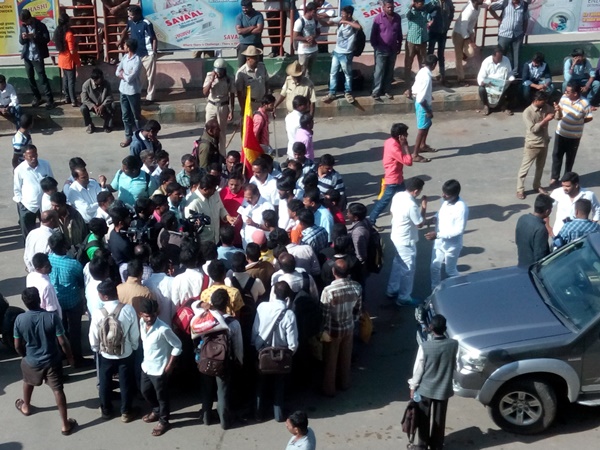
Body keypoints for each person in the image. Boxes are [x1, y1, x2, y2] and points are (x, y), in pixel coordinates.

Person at [13, 287, 77, 435]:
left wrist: (24, 356)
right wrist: (70, 358)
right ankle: (65, 425)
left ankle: (26, 407)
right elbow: (63, 342)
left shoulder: (20, 319)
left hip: (31, 360)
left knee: (27, 382)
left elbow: (17, 345)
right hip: (52, 361)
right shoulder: (52, 318)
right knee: (58, 390)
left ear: (24, 302)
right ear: (39, 299)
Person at [89, 279, 139, 421]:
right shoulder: (128, 309)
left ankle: (106, 410)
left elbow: (93, 334)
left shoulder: (98, 313)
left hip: (106, 353)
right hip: (125, 353)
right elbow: (134, 333)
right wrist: (133, 346)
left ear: (104, 296)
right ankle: (126, 412)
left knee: (105, 381)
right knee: (125, 382)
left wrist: (96, 348)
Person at [408, 314, 458, 450]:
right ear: (445, 328)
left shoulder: (425, 346)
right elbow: (454, 364)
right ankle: (437, 445)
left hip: (426, 389)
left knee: (423, 418)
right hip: (444, 388)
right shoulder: (454, 344)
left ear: (430, 328)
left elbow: (419, 369)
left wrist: (413, 386)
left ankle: (422, 445)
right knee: (439, 419)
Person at [252, 281, 298, 422]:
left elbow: (255, 331)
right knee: (279, 384)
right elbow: (293, 343)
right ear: (288, 297)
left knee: (260, 383)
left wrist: (255, 347)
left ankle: (258, 413)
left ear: (273, 293)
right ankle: (279, 414)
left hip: (262, 352)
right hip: (281, 356)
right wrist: (289, 354)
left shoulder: (262, 307)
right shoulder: (289, 314)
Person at [198, 289, 243, 429]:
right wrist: (239, 361)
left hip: (205, 359)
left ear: (211, 302)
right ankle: (224, 421)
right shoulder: (233, 323)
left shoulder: (204, 318)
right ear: (227, 303)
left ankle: (206, 418)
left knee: (206, 390)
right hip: (224, 362)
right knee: (222, 391)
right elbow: (238, 346)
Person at [139, 297, 182, 436]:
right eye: (147, 316)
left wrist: (170, 365)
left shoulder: (163, 329)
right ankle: (156, 410)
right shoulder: (141, 323)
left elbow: (178, 345)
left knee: (162, 397)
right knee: (145, 391)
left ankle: (164, 421)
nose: (150, 318)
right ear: (141, 314)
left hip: (159, 369)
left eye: (152, 315)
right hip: (146, 366)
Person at [320, 259, 362, 397]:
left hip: (333, 330)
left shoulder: (328, 291)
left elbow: (325, 314)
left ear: (334, 272)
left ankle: (329, 389)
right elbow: (358, 309)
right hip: (348, 327)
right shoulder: (357, 287)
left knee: (330, 362)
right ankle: (344, 383)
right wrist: (352, 321)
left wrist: (324, 330)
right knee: (345, 358)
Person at [387, 177, 426, 306]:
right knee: (408, 270)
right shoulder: (412, 205)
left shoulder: (398, 196)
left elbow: (392, 213)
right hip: (406, 240)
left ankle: (392, 289)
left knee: (397, 263)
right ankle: (404, 297)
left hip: (396, 235)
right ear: (416, 191)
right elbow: (419, 223)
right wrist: (424, 207)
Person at [47, 231, 85, 364]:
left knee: (60, 330)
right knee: (75, 331)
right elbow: (81, 282)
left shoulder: (48, 259)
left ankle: (63, 353)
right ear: (64, 246)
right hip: (73, 301)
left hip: (56, 301)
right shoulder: (74, 264)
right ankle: (77, 357)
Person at [424, 179, 469, 289]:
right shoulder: (445, 200)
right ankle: (435, 289)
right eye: (443, 192)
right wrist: (434, 217)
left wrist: (437, 235)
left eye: (446, 194)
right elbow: (441, 212)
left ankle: (463, 286)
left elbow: (458, 230)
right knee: (434, 267)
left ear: (455, 195)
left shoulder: (461, 208)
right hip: (439, 242)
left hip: (452, 245)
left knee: (450, 271)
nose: (443, 196)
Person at [550, 82, 593, 188]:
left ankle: (566, 178)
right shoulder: (564, 98)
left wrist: (577, 123)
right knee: (557, 155)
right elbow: (559, 111)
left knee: (570, 158)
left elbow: (589, 117)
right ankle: (554, 178)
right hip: (561, 132)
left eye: (568, 91)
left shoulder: (584, 103)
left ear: (575, 93)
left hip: (574, 136)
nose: (565, 92)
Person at [369, 123, 412, 226]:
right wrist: (405, 146)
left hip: (397, 177)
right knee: (384, 201)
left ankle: (405, 216)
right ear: (400, 136)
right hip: (394, 179)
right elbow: (408, 162)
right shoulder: (394, 148)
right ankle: (371, 220)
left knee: (404, 198)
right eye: (405, 133)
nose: (407, 135)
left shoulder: (389, 141)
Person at [516, 91, 556, 199]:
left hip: (544, 143)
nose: (544, 104)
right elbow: (533, 129)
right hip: (532, 144)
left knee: (540, 167)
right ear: (536, 100)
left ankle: (537, 185)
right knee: (524, 168)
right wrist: (546, 120)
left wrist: (558, 110)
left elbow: (556, 116)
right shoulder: (527, 112)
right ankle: (520, 189)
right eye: (542, 102)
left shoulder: (545, 107)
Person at [321, 6, 361, 104]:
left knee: (347, 74)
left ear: (349, 15)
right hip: (337, 52)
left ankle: (348, 92)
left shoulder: (353, 23)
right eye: (341, 14)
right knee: (333, 73)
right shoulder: (339, 19)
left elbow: (359, 27)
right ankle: (332, 93)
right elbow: (326, 23)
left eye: (343, 14)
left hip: (346, 54)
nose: (341, 15)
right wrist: (317, 18)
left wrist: (346, 22)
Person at [13, 145, 54, 239]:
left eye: (35, 155)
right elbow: (17, 189)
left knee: (48, 231)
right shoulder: (19, 170)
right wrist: (21, 204)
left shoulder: (45, 164)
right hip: (28, 206)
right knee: (28, 234)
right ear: (24, 157)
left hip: (44, 205)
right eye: (30, 156)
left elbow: (51, 182)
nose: (34, 158)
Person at [120, 5, 157, 103]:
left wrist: (154, 52)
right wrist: (121, 40)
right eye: (128, 15)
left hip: (147, 54)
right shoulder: (130, 21)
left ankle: (150, 97)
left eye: (131, 15)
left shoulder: (146, 23)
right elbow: (125, 30)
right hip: (136, 55)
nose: (129, 17)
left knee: (150, 77)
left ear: (137, 15)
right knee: (137, 76)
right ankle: (137, 95)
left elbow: (154, 39)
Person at [19, 9, 55, 110]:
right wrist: (23, 38)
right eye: (24, 22)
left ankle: (50, 100)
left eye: (26, 21)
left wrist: (34, 36)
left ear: (30, 18)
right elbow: (21, 41)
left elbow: (46, 39)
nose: (25, 23)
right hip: (27, 56)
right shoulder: (23, 27)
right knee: (30, 78)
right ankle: (37, 97)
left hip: (37, 56)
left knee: (42, 78)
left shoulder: (40, 25)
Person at [185, 174, 237, 243]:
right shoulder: (192, 204)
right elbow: (191, 227)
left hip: (217, 239)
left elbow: (221, 208)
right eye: (213, 189)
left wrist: (227, 217)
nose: (215, 191)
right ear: (205, 189)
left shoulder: (215, 194)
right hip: (204, 243)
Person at [370, 0, 403, 101]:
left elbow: (399, 33)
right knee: (379, 71)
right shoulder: (378, 18)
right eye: (388, 7)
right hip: (381, 49)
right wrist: (376, 46)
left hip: (393, 49)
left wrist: (399, 45)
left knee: (389, 70)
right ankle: (376, 91)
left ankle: (387, 90)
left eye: (392, 7)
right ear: (383, 7)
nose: (390, 9)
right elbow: (373, 34)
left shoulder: (397, 17)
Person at [550, 172, 600, 237]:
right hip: (559, 233)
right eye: (563, 185)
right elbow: (546, 207)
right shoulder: (557, 192)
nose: (564, 188)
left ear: (576, 185)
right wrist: (548, 228)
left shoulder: (588, 195)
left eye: (567, 186)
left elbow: (597, 209)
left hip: (580, 235)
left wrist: (593, 223)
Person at [203, 58, 235, 157]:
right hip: (211, 105)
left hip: (223, 106)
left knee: (221, 131)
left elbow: (232, 95)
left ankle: (222, 155)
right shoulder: (209, 76)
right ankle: (208, 151)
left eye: (220, 71)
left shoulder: (229, 79)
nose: (219, 73)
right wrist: (211, 80)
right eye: (217, 71)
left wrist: (231, 110)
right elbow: (205, 92)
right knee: (208, 129)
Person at [489, 0, 529, 76]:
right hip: (504, 34)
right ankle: (499, 72)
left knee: (517, 56)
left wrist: (523, 33)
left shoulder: (524, 5)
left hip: (518, 34)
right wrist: (498, 18)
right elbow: (490, 8)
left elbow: (525, 19)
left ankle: (515, 74)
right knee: (501, 54)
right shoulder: (505, 2)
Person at [411, 54, 438, 163]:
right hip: (423, 105)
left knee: (427, 124)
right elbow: (421, 99)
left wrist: (428, 95)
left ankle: (423, 145)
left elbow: (417, 88)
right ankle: (415, 154)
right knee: (422, 129)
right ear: (434, 64)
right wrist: (428, 111)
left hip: (422, 101)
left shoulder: (422, 71)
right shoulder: (426, 77)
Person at [452, 0, 485, 87]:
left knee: (471, 53)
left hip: (469, 32)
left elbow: (487, 4)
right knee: (458, 57)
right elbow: (463, 27)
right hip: (459, 33)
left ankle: (464, 53)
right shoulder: (468, 11)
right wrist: (469, 41)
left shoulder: (478, 5)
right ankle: (461, 79)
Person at [404, 0, 439, 83]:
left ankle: (423, 82)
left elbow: (434, 3)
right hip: (411, 41)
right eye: (420, 4)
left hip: (423, 41)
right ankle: (407, 83)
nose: (422, 5)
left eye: (423, 3)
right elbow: (407, 15)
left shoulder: (425, 9)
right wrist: (411, 5)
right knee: (408, 63)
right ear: (415, 3)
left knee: (423, 63)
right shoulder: (411, 11)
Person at [116, 38, 142, 148]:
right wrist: (123, 74)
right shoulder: (125, 57)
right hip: (123, 90)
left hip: (133, 91)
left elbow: (131, 78)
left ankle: (140, 136)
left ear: (129, 47)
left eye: (125, 45)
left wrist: (123, 75)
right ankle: (128, 136)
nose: (124, 46)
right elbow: (117, 71)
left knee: (136, 115)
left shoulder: (137, 60)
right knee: (125, 115)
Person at [477, 46, 515, 116]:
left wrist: (511, 79)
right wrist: (483, 82)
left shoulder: (506, 60)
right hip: (490, 84)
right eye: (498, 58)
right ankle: (486, 106)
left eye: (501, 57)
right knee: (481, 89)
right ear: (493, 56)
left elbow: (509, 73)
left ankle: (504, 106)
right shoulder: (486, 62)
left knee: (513, 87)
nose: (500, 59)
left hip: (502, 83)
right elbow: (481, 77)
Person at [54, 12, 81, 108]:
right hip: (69, 60)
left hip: (62, 58)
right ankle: (73, 100)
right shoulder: (69, 34)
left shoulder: (58, 32)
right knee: (71, 81)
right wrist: (76, 43)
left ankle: (67, 98)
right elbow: (72, 51)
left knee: (65, 79)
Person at [26, 253, 63, 318]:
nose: (50, 267)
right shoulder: (47, 286)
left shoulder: (30, 276)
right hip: (48, 316)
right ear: (38, 269)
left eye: (49, 264)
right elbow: (51, 310)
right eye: (46, 266)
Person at [427, 0, 454, 86]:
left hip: (443, 32)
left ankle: (443, 77)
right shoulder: (433, 2)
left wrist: (447, 25)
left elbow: (452, 13)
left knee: (441, 54)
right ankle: (427, 77)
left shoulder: (448, 2)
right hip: (433, 32)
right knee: (429, 54)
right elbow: (425, 11)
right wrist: (428, 22)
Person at [81, 68, 114, 133]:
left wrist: (103, 105)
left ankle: (107, 125)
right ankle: (90, 124)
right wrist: (93, 106)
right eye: (100, 79)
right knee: (83, 108)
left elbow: (110, 96)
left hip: (103, 104)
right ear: (94, 80)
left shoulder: (106, 83)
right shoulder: (86, 85)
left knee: (113, 105)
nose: (102, 80)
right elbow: (84, 99)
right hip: (92, 105)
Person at [236, 46, 268, 112]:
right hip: (250, 104)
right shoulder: (241, 73)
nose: (257, 60)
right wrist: (243, 108)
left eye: (257, 57)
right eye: (255, 58)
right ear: (248, 59)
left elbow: (266, 82)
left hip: (263, 103)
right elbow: (239, 93)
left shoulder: (262, 67)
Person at [293, 2, 320, 79]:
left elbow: (318, 32)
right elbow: (295, 37)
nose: (315, 14)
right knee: (302, 71)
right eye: (314, 12)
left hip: (313, 50)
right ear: (309, 11)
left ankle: (308, 85)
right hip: (304, 51)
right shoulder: (299, 21)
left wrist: (313, 37)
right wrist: (306, 38)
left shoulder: (315, 21)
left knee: (309, 72)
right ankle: (301, 85)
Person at [236, 0, 264, 67]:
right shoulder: (239, 16)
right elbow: (239, 31)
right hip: (243, 45)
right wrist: (252, 27)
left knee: (259, 65)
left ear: (251, 6)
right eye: (243, 8)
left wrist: (245, 31)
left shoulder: (259, 15)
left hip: (256, 44)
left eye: (246, 8)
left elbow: (259, 30)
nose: (244, 10)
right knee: (241, 66)